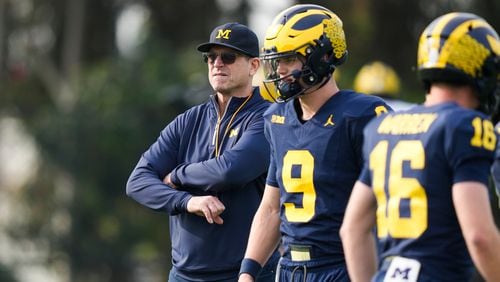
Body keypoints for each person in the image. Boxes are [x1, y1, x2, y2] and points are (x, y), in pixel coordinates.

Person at [340, 12, 500, 282]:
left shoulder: (383, 127)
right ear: (479, 70)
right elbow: (479, 236)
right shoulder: (464, 125)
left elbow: (353, 228)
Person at [237, 5, 391, 282]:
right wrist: (248, 272)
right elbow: (272, 207)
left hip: (344, 265)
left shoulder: (362, 115)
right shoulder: (276, 118)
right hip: (289, 268)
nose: (280, 70)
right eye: (277, 60)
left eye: (290, 59)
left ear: (323, 56)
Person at [126, 22, 279, 281]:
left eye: (228, 57)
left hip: (246, 274)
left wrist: (176, 175)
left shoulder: (268, 116)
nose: (217, 63)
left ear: (254, 66)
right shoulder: (188, 121)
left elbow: (230, 170)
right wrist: (187, 202)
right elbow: (137, 182)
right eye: (211, 57)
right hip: (184, 275)